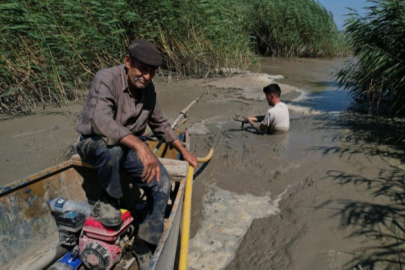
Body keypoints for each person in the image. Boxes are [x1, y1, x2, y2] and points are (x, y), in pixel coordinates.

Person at [76, 39, 197, 268]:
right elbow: (101, 121)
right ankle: (110, 199)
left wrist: (183, 150)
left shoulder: (148, 90)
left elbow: (160, 123)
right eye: (142, 69)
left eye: (152, 72)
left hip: (127, 147)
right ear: (127, 61)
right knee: (110, 149)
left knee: (161, 183)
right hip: (95, 144)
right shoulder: (106, 79)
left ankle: (143, 242)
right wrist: (140, 146)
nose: (147, 76)